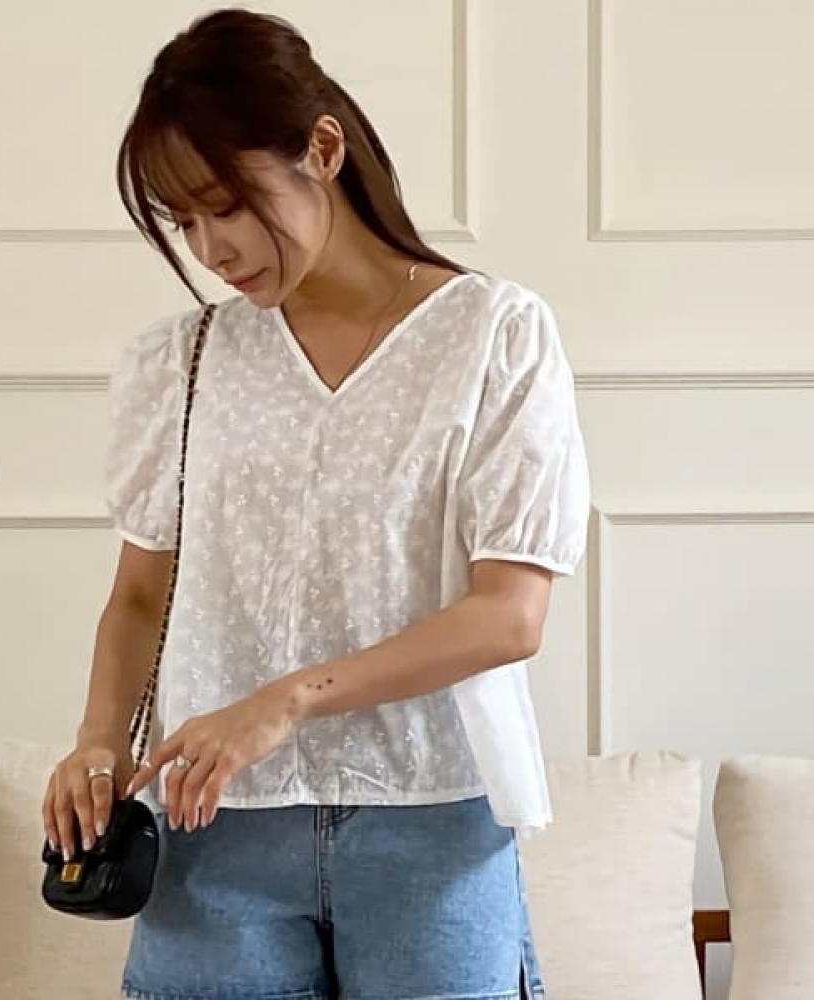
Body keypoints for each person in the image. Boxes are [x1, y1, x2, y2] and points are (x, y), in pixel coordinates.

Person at [42, 8, 590, 1000]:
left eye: (226, 205)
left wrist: (286, 700)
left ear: (323, 150)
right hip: (213, 833)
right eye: (184, 221)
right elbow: (139, 595)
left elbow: (510, 615)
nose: (211, 247)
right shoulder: (183, 362)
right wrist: (96, 740)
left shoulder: (491, 336)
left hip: (431, 821)